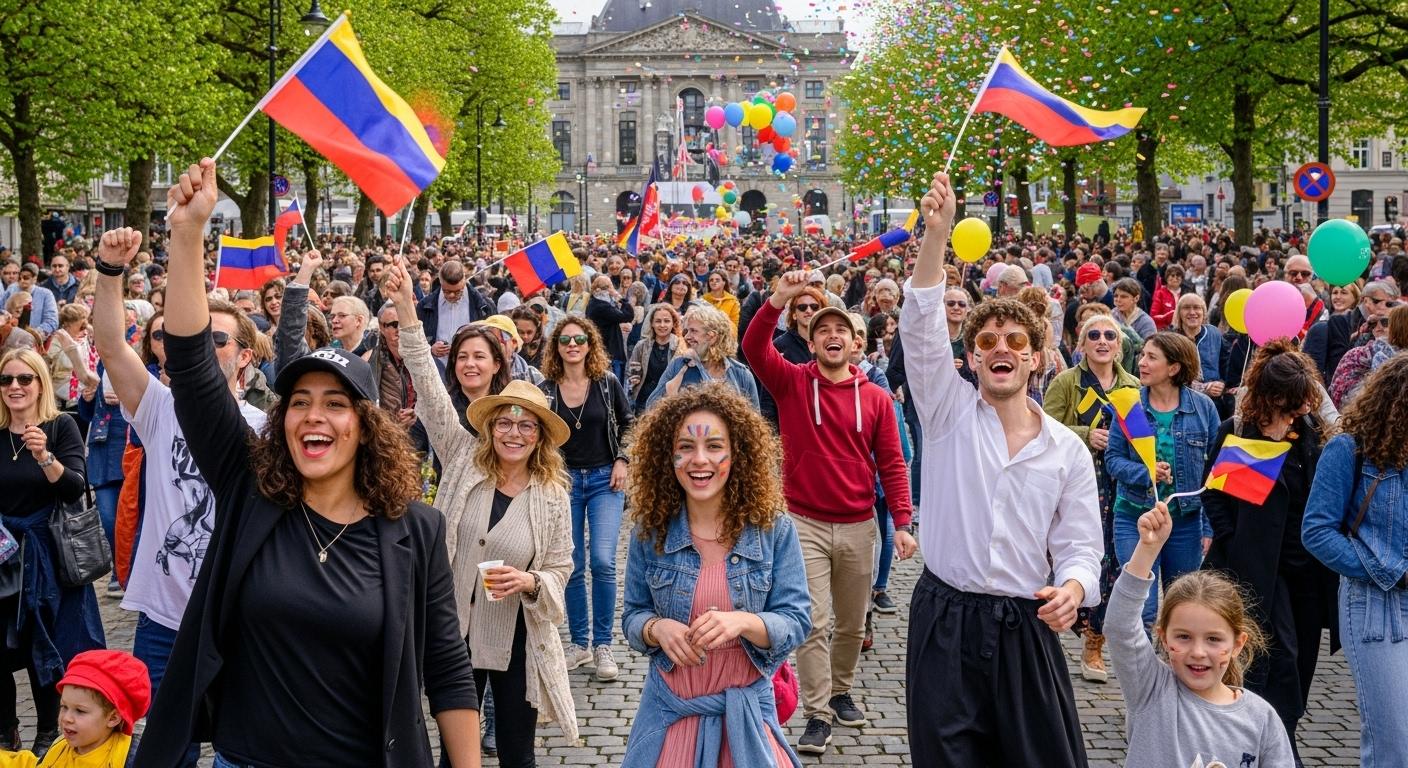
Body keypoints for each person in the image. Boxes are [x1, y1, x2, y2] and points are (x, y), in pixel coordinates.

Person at [139, 158, 481, 768]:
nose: (313, 417)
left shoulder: (414, 530)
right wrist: (188, 235)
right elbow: (192, 368)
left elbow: (448, 671)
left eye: (334, 404)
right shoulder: (249, 491)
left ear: (365, 425)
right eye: (299, 402)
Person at [900, 171, 1101, 766]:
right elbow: (920, 329)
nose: (1001, 349)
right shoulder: (946, 413)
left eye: (1015, 340)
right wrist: (936, 237)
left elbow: (1082, 545)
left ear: (1036, 357)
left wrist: (1072, 588)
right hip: (945, 620)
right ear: (971, 358)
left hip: (1024, 626)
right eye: (986, 341)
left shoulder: (1065, 450)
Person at [386, 255, 578, 766]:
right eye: (504, 424)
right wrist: (407, 308)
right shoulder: (462, 456)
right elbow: (427, 380)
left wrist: (533, 583)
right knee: (455, 756)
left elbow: (561, 567)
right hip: (456, 629)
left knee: (517, 754)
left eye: (526, 426)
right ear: (489, 427)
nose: (513, 432)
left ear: (538, 436)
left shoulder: (551, 493)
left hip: (516, 633)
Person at [91, 230, 268, 768]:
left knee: (243, 750)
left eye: (220, 340)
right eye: (197, 336)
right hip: (166, 619)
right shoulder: (160, 407)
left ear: (243, 358)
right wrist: (109, 271)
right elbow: (111, 347)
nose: (204, 345)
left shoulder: (269, 428)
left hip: (241, 618)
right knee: (168, 750)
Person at [742, 268, 915, 756]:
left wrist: (902, 521)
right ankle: (817, 713)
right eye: (823, 330)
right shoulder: (793, 384)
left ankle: (841, 691)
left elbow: (894, 464)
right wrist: (778, 297)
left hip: (860, 522)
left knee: (852, 625)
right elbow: (755, 348)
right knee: (814, 621)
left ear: (855, 343)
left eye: (841, 329)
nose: (832, 336)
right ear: (811, 342)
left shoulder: (877, 399)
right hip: (804, 523)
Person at [619, 385, 810, 768]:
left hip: (747, 721)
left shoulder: (774, 530)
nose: (699, 460)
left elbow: (796, 621)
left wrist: (743, 621)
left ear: (737, 454)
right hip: (672, 721)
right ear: (666, 455)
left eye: (714, 446)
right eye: (686, 446)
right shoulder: (650, 531)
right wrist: (657, 629)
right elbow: (633, 616)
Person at [1202, 341, 1335, 760]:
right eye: (1291, 404)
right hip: (1258, 573)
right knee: (1271, 663)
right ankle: (1275, 749)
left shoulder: (1310, 436)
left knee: (1301, 666)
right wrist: (1232, 540)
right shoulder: (1240, 432)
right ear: (1272, 396)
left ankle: (1283, 734)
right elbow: (1214, 496)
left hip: (1309, 575)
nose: (1298, 411)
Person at [1107, 502, 1294, 767]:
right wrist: (1147, 549)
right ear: (1164, 637)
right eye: (1183, 637)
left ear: (1238, 644)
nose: (1198, 652)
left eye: (1213, 639)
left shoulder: (1261, 719)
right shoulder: (1151, 689)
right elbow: (1119, 628)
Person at [1303, 355, 1408, 767]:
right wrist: (1387, 570)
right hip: (1375, 606)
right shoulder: (1350, 448)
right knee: (1394, 743)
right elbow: (1316, 532)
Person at [0, 348, 103, 754]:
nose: (14, 387)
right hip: (4, 555)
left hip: (49, 556)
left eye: (24, 379)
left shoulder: (60, 426)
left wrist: (45, 457)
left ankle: (48, 732)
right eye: (6, 380)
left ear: (41, 382)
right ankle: (6, 731)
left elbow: (76, 486)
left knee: (47, 648)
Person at [1043, 314, 1142, 684]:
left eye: (1110, 336)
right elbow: (1045, 426)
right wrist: (1086, 433)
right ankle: (1067, 616)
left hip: (1120, 484)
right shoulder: (1066, 382)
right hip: (1078, 482)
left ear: (1120, 345)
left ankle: (1095, 640)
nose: (1102, 341)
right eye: (1094, 335)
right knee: (1077, 554)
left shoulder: (1133, 385)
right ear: (1081, 344)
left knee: (1115, 560)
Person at [537, 315, 632, 681]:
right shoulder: (546, 389)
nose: (572, 345)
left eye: (579, 339)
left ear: (590, 344)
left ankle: (603, 643)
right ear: (556, 347)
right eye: (565, 340)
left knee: (604, 561)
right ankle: (580, 643)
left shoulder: (606, 384)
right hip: (564, 483)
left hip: (605, 479)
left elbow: (628, 421)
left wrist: (622, 458)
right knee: (572, 563)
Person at [1106, 331, 1220, 628]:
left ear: (1174, 368)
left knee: (1180, 607)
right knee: (1142, 608)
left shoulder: (1203, 407)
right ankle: (1138, 674)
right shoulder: (1129, 406)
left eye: (1151, 357)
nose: (1141, 362)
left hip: (1185, 522)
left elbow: (1217, 472)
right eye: (1142, 355)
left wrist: (1209, 527)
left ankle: (1173, 672)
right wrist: (1146, 473)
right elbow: (1112, 460)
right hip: (1134, 516)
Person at [0, 649, 151, 768]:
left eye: (80, 711)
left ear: (112, 718)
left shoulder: (130, 758)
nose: (66, 718)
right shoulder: (61, 749)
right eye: (64, 707)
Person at [647, 304, 758, 410]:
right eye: (687, 331)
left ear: (712, 337)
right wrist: (669, 394)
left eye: (693, 331)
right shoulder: (678, 366)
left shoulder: (741, 374)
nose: (686, 336)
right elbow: (650, 408)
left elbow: (755, 422)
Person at [421, 259, 494, 361]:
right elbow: (416, 342)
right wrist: (429, 349)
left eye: (457, 291)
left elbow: (493, 341)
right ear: (440, 282)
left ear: (464, 281)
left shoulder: (484, 306)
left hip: (471, 367)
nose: (451, 295)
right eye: (446, 291)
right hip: (437, 368)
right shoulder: (424, 306)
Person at [627, 304, 682, 412]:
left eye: (666, 321)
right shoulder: (641, 346)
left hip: (668, 404)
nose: (662, 325)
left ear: (673, 323)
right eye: (658, 321)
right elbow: (631, 372)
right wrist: (633, 378)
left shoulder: (680, 347)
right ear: (652, 323)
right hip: (643, 402)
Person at [585, 275, 634, 383]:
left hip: (603, 351)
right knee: (613, 387)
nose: (612, 290)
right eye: (609, 287)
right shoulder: (602, 306)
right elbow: (628, 316)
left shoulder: (593, 303)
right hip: (610, 353)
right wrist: (621, 298)